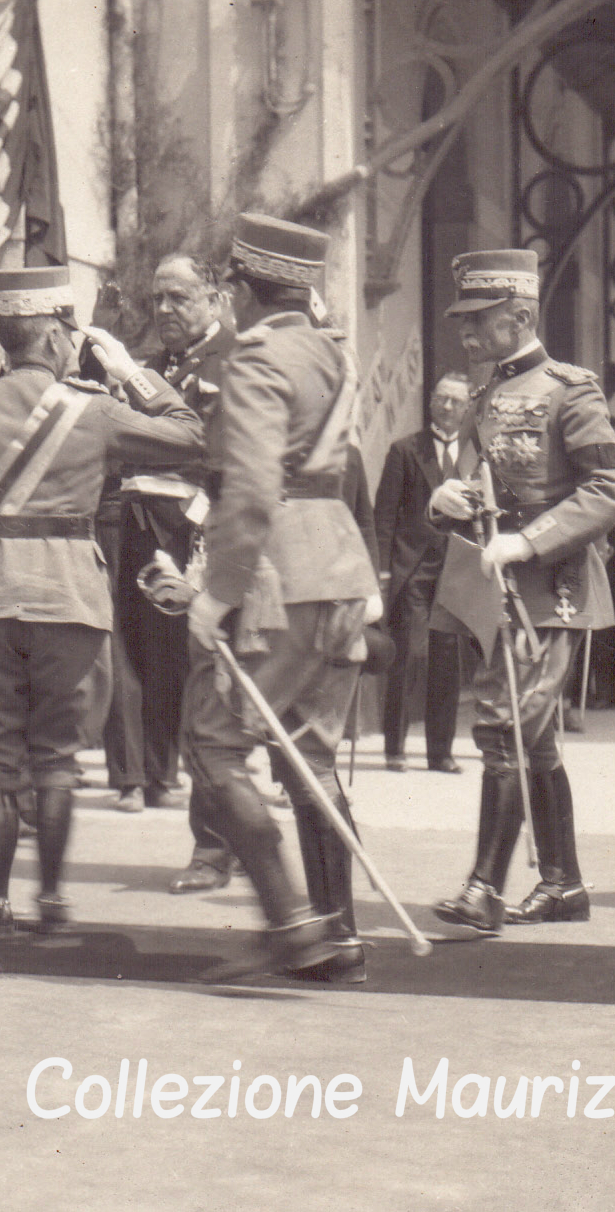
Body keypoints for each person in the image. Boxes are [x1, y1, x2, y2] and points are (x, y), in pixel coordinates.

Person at [0, 266, 204, 933]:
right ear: (59, 338)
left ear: (6, 337)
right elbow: (189, 434)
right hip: (71, 603)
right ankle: (52, 901)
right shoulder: (95, 411)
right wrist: (128, 371)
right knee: (55, 757)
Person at [181, 213, 381, 981]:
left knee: (214, 742)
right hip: (340, 566)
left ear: (240, 287)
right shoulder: (332, 355)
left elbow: (256, 488)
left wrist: (214, 596)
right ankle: (341, 934)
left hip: (281, 574)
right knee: (312, 760)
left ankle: (293, 923)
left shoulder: (257, 355)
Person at [428, 249, 615, 934]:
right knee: (533, 742)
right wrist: (446, 499)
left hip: (551, 589)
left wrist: (531, 540)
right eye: (462, 319)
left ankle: (485, 889)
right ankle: (564, 885)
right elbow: (480, 479)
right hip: (498, 587)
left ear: (520, 314)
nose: (466, 332)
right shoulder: (482, 396)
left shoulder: (570, 390)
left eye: (480, 319)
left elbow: (610, 490)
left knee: (502, 726)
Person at [100, 253, 231, 815]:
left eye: (178, 297)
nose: (164, 308)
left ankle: (164, 770)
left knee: (173, 651)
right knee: (123, 644)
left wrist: (205, 525)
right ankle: (130, 774)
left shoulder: (232, 362)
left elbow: (219, 451)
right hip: (129, 517)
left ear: (213, 299)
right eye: (157, 298)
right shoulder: (149, 366)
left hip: (191, 523)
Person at [372, 372, 474, 772]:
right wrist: (382, 572)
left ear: (466, 409)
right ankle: (394, 747)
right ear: (431, 401)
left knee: (448, 661)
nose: (447, 406)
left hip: (454, 572)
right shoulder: (405, 450)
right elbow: (384, 516)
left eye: (455, 401)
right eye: (441, 398)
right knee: (410, 656)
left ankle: (440, 753)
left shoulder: (473, 456)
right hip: (412, 569)